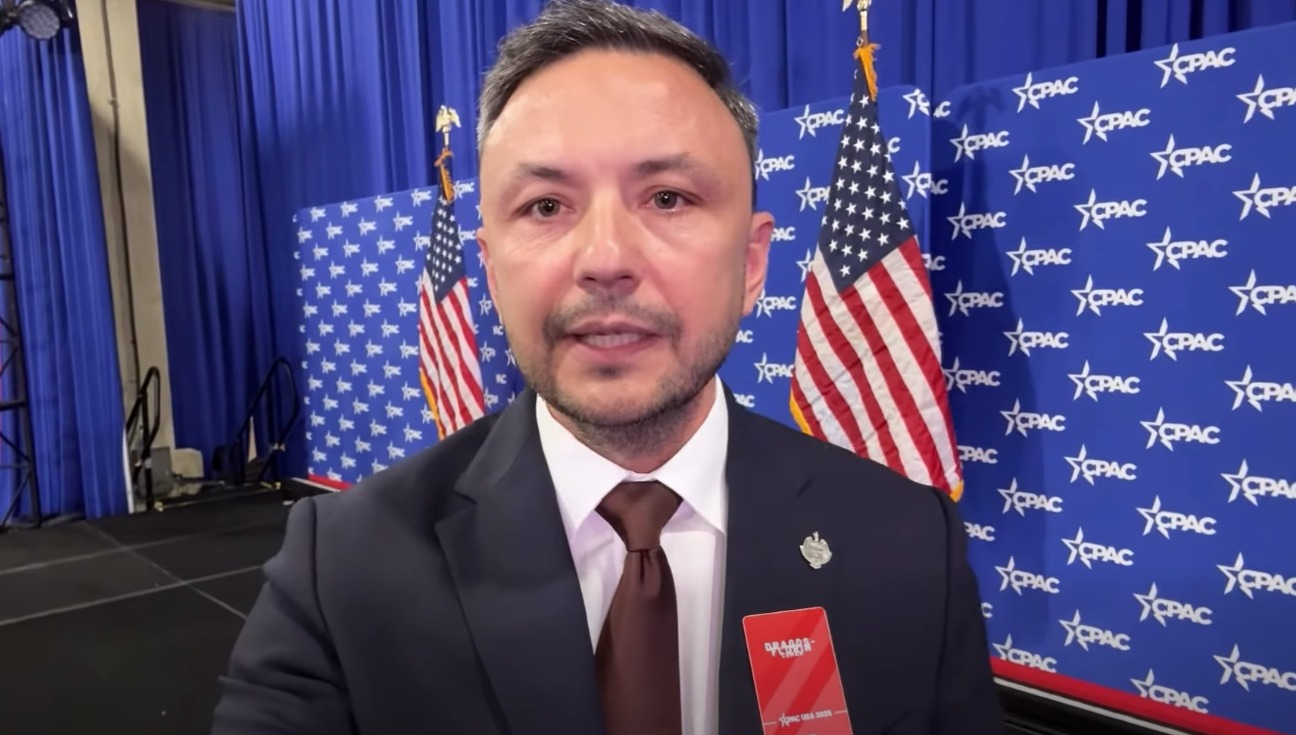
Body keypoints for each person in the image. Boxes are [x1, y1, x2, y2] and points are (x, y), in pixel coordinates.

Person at [211, 1, 1003, 733]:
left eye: (668, 197)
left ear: (754, 262)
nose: (606, 258)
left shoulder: (909, 544)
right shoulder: (342, 567)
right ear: (491, 271)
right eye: (545, 206)